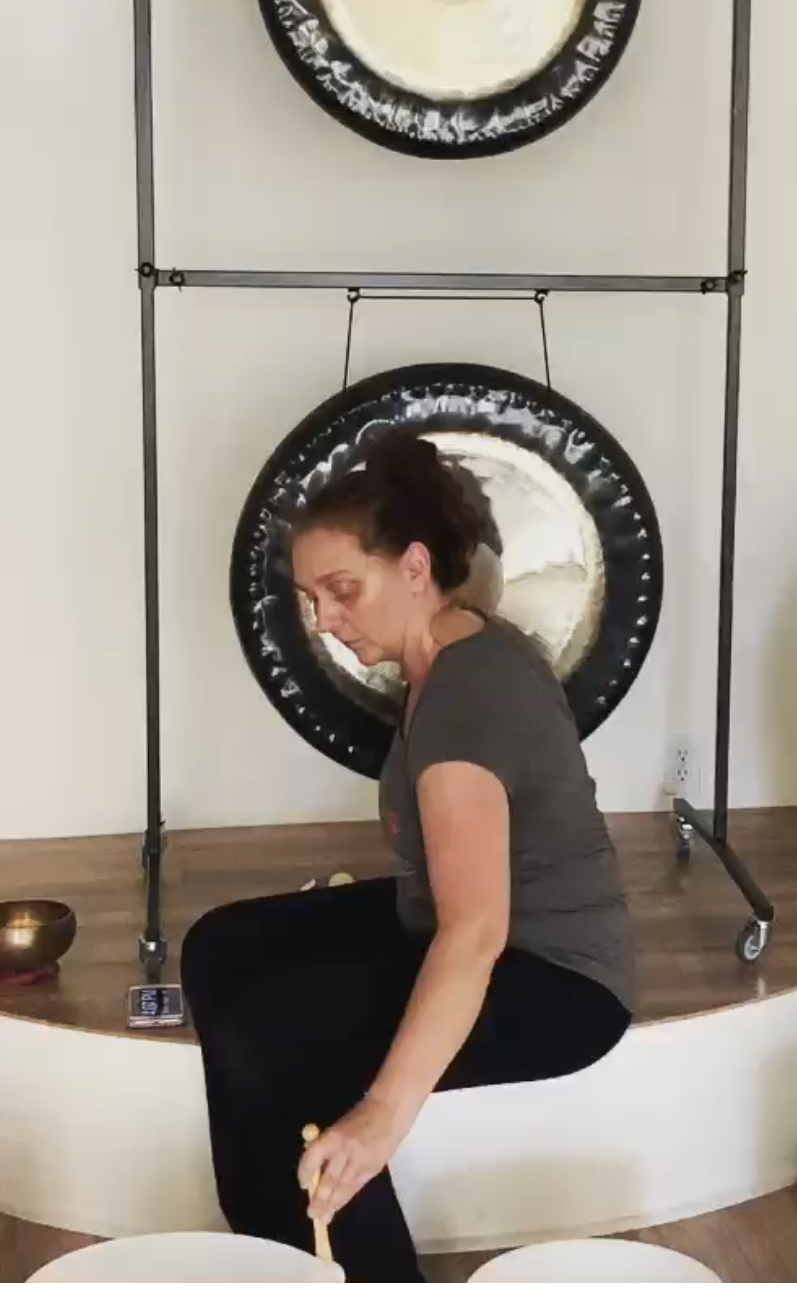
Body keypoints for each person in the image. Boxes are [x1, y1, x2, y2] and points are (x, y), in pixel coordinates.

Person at [180, 428, 634, 1283]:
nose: (325, 619)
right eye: (313, 598)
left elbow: (475, 933)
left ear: (415, 566)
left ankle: (362, 1267)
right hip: (458, 924)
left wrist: (382, 1116)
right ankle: (274, 1243)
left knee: (276, 1035)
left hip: (554, 978)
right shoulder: (449, 651)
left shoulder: (468, 693)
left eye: (343, 590)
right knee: (219, 947)